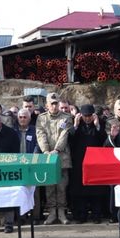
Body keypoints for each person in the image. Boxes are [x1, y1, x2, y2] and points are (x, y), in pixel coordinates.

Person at [36, 92, 74, 225]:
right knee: (50, 186)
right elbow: (40, 134)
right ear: (47, 105)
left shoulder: (66, 117)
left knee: (62, 186)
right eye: (51, 104)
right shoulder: (41, 118)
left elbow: (64, 134)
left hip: (62, 157)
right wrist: (46, 151)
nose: (54, 106)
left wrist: (57, 150)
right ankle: (52, 212)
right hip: (47, 157)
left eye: (56, 103)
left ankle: (62, 212)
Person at [71, 104, 107, 224]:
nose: (87, 118)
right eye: (85, 116)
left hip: (95, 162)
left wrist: (97, 126)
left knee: (96, 190)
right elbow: (70, 140)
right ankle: (82, 215)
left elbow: (104, 140)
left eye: (89, 116)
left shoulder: (100, 123)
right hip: (79, 161)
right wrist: (75, 125)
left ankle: (96, 215)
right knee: (80, 190)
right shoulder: (76, 124)